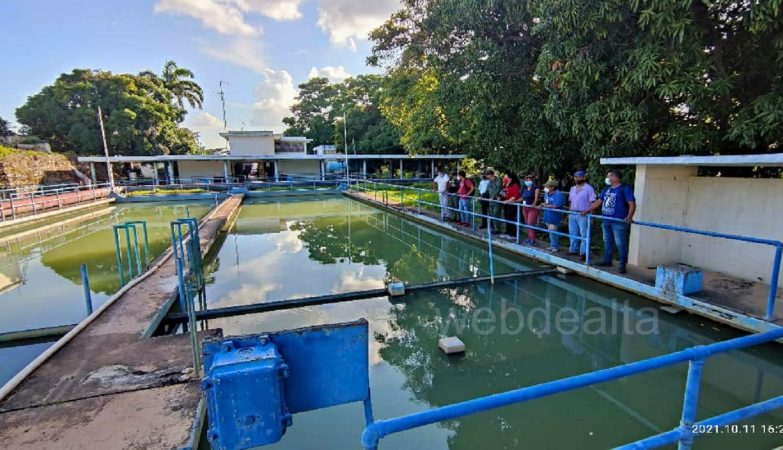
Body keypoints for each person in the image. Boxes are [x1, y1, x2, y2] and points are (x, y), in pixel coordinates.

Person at [586, 170, 636, 273]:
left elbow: (632, 203)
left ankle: (622, 265)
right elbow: (599, 201)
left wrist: (629, 216)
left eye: (609, 176)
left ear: (615, 177)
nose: (607, 178)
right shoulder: (606, 189)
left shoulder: (624, 189)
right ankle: (607, 260)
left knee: (620, 243)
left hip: (618, 221)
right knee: (607, 241)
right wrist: (587, 210)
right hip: (606, 220)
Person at [567, 170, 597, 258]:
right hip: (572, 213)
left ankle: (583, 252)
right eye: (575, 177)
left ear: (583, 177)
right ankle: (573, 249)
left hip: (584, 214)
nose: (577, 179)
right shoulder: (572, 188)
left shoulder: (589, 188)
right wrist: (569, 212)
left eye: (579, 177)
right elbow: (570, 201)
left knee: (584, 234)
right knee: (573, 233)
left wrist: (590, 214)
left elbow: (592, 202)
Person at [542, 180, 566, 252]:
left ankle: (555, 246)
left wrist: (546, 205)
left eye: (547, 186)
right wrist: (543, 205)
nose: (545, 188)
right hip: (547, 215)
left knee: (553, 231)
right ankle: (552, 245)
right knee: (550, 231)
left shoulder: (558, 194)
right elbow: (545, 202)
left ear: (552, 187)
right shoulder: (547, 194)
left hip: (554, 216)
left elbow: (556, 205)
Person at [521, 174, 541, 245]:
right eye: (526, 180)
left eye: (529, 180)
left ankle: (533, 239)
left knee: (530, 223)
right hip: (525, 208)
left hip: (532, 208)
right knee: (527, 223)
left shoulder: (536, 188)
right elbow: (522, 198)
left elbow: (536, 198)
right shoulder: (525, 188)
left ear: (532, 181)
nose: (527, 181)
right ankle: (529, 238)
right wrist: (514, 201)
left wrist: (534, 204)